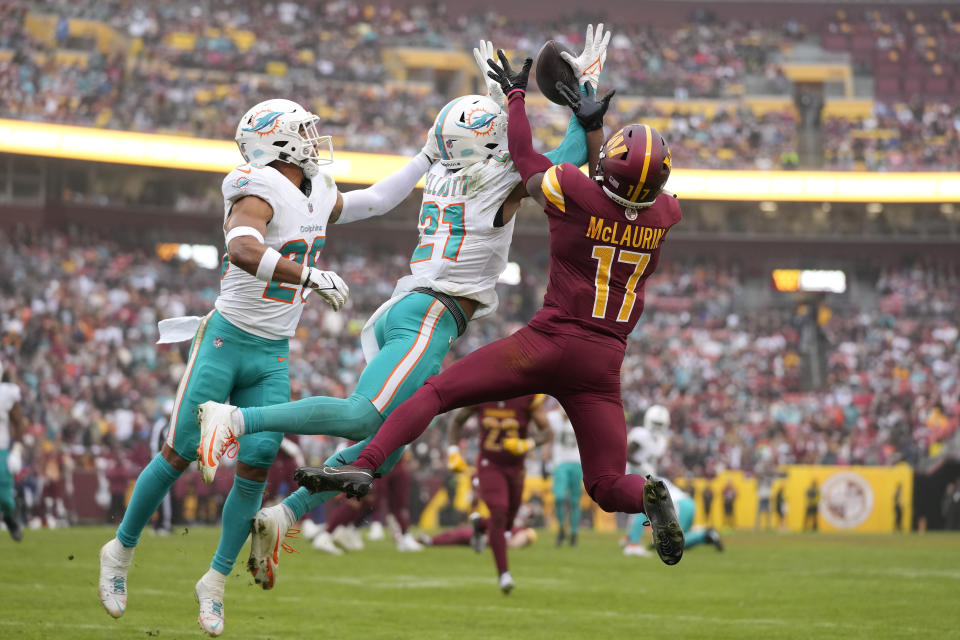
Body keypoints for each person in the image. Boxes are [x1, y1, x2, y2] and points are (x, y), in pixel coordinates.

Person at [193, 26, 607, 591]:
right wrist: (584, 89)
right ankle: (236, 419)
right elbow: (566, 157)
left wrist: (495, 98)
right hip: (431, 314)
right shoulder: (496, 180)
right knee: (365, 417)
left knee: (387, 443)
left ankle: (284, 515)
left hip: (403, 309)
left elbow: (481, 142)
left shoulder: (444, 168)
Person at [297, 46, 686, 567]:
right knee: (608, 483)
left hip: (549, 342)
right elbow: (621, 189)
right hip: (603, 363)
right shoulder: (665, 215)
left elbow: (528, 160)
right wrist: (589, 127)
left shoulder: (574, 191)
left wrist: (518, 97)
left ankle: (365, 464)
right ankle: (647, 496)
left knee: (436, 392)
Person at [97, 97, 439, 636]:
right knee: (180, 450)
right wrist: (307, 276)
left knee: (256, 464)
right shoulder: (254, 185)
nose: (313, 138)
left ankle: (214, 580)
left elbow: (373, 200)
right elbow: (243, 248)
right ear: (275, 140)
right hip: (226, 340)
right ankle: (119, 551)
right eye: (303, 130)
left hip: (273, 350)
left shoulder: (317, 189)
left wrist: (425, 158)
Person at [447, 394, 550, 592]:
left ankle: (481, 524)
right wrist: (453, 451)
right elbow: (457, 420)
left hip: (516, 467)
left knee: (508, 522)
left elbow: (547, 433)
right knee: (499, 512)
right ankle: (504, 574)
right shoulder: (484, 390)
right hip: (489, 464)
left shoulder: (527, 396)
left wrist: (526, 444)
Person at [623, 406, 721, 557]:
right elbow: (627, 454)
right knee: (645, 507)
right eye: (655, 423)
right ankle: (632, 541)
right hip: (675, 498)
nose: (656, 427)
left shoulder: (660, 441)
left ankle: (632, 542)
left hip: (679, 504)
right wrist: (641, 466)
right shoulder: (641, 435)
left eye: (659, 424)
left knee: (666, 536)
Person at [547, 408, 583, 547]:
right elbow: (544, 428)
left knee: (575, 501)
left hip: (577, 462)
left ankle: (574, 532)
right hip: (560, 462)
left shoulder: (581, 415)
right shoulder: (554, 417)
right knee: (559, 497)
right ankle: (561, 527)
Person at [0, 361, 26, 541]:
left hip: (1, 450)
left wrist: (16, 450)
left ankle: (10, 517)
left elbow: (18, 422)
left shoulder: (6, 393)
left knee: (4, 498)